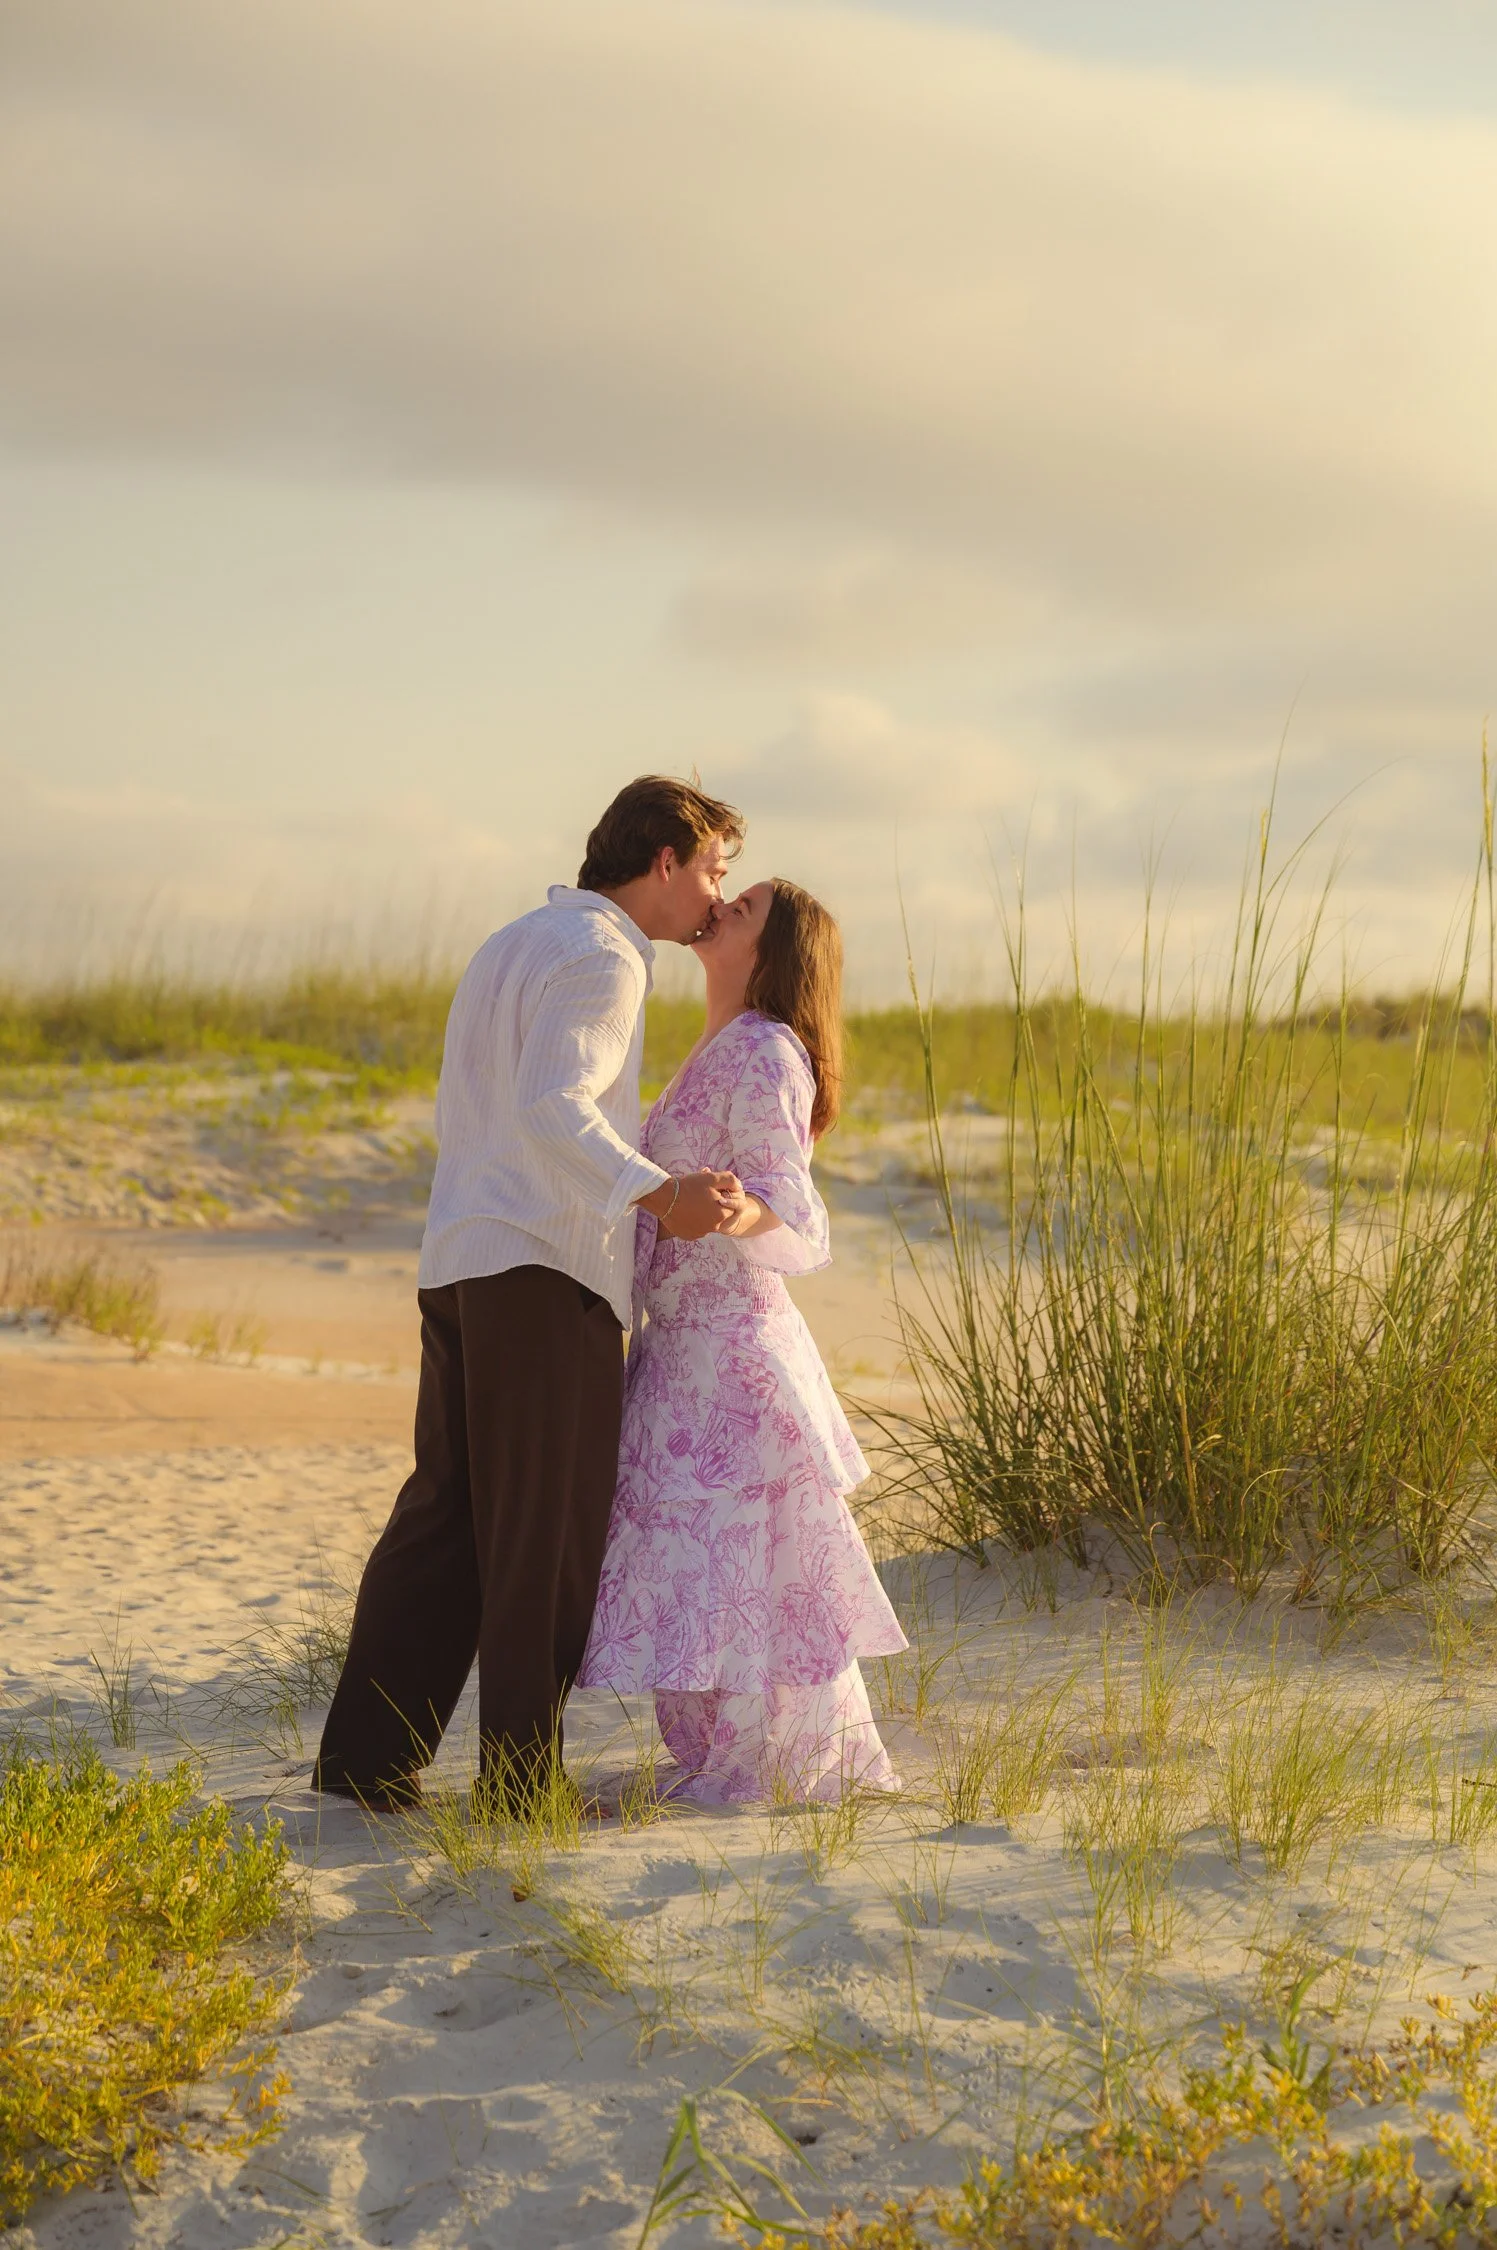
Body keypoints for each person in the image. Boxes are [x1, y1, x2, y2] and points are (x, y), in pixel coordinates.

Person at [313, 776, 747, 1811]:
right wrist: (661, 1192)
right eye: (714, 872)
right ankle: (518, 1788)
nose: (716, 899)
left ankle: (366, 1762)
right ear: (664, 862)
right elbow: (555, 1105)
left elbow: (487, 1106)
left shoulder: (512, 941)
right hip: (546, 1273)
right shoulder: (606, 958)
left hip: (460, 1258)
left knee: (447, 1516)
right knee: (541, 1538)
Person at [578, 878, 908, 1803]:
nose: (722, 902)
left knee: (754, 1571)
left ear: (773, 951)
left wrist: (737, 1210)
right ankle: (733, 1756)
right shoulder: (713, 1047)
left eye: (748, 904)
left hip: (729, 1356)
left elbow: (794, 1207)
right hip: (679, 1350)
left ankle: (771, 1765)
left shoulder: (764, 1050)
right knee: (713, 1569)